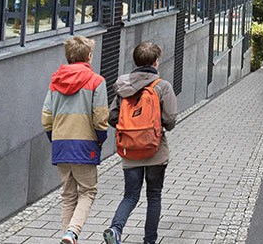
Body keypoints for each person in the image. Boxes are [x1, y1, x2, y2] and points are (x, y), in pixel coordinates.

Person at [103, 42, 177, 244]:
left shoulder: (123, 86)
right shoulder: (162, 86)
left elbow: (112, 117)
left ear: (135, 61)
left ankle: (116, 229)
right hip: (155, 151)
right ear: (156, 62)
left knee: (130, 195)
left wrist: (130, 128)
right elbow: (170, 121)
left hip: (130, 151)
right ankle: (149, 240)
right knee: (154, 196)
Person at [42, 35, 109, 244]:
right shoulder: (96, 81)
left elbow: (46, 117)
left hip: (61, 144)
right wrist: (100, 139)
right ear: (89, 56)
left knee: (68, 194)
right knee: (88, 192)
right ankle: (72, 232)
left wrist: (55, 138)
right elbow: (100, 118)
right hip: (85, 143)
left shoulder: (55, 82)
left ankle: (68, 236)